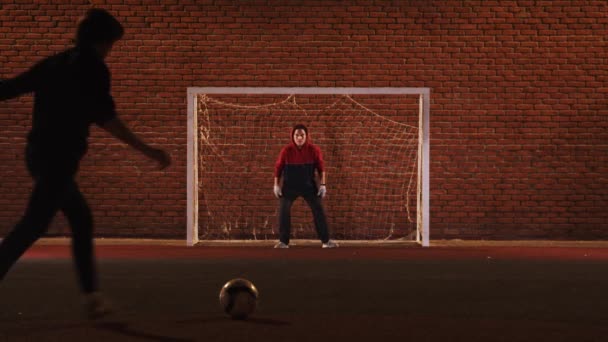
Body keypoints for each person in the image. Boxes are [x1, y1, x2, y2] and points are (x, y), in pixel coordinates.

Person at [0, 8, 171, 319]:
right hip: (59, 159)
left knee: (80, 219)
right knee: (33, 225)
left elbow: (9, 88)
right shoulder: (93, 69)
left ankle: (92, 297)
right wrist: (149, 151)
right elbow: (107, 118)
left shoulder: (55, 62)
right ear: (101, 42)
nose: (109, 51)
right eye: (110, 45)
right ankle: (91, 297)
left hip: (38, 155)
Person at [273, 124, 338, 249]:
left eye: (302, 135)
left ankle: (326, 241)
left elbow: (321, 169)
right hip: (289, 187)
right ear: (293, 136)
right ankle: (283, 242)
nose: (299, 138)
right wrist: (276, 185)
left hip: (308, 186)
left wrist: (323, 184)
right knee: (283, 211)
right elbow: (278, 168)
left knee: (318, 210)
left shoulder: (314, 150)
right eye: (297, 135)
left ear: (306, 136)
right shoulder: (286, 151)